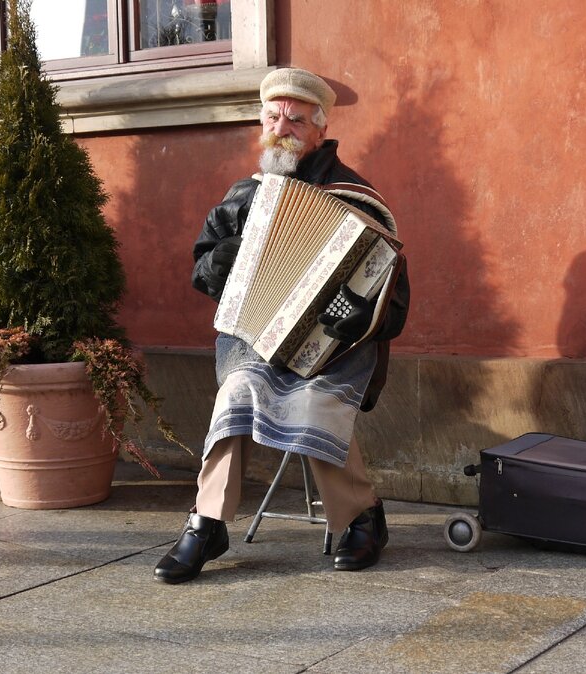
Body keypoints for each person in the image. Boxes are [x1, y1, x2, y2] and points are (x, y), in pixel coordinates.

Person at [155, 68, 410, 584]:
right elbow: (202, 268)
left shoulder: (357, 196)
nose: (282, 127)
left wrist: (362, 314)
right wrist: (219, 262)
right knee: (239, 393)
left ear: (319, 130)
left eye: (295, 119)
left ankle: (363, 519)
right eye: (273, 117)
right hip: (255, 343)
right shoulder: (242, 195)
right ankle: (207, 523)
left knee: (313, 399)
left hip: (333, 348)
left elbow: (394, 294)